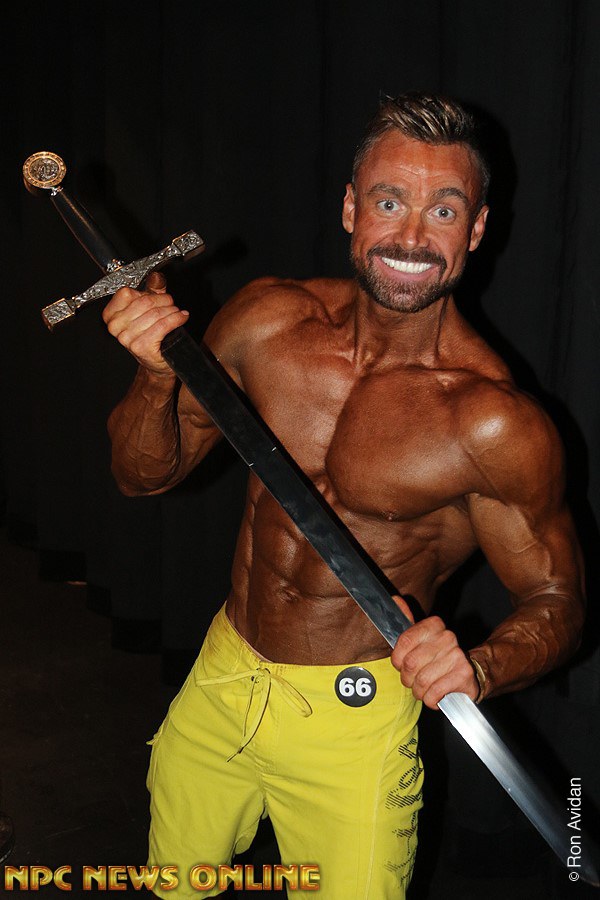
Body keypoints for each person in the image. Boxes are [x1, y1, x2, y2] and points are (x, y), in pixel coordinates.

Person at [103, 93, 585, 899]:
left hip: (353, 719)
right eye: (390, 202)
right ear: (351, 208)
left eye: (444, 210)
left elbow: (558, 601)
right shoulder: (266, 321)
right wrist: (156, 377)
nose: (412, 237)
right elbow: (142, 474)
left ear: (476, 230)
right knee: (172, 886)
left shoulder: (490, 422)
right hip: (223, 674)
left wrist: (479, 665)